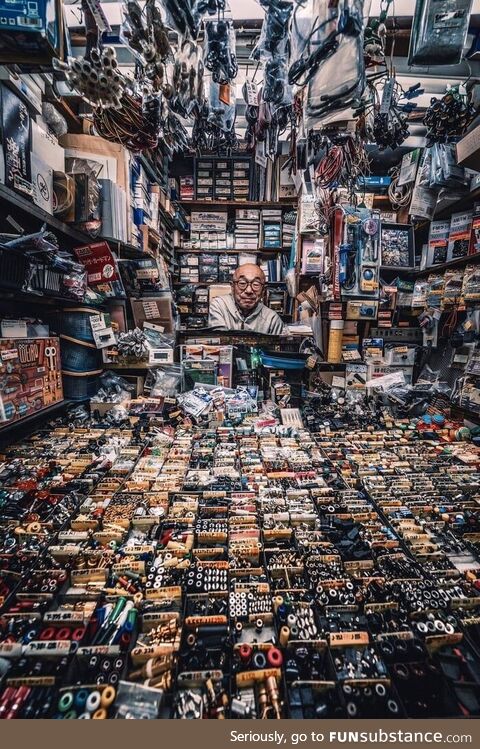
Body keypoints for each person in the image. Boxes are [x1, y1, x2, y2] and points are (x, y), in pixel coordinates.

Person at [208, 263, 286, 333]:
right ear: (232, 287)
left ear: (263, 291)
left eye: (256, 284)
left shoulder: (272, 319)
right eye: (242, 283)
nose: (249, 290)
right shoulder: (220, 306)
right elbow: (220, 343)